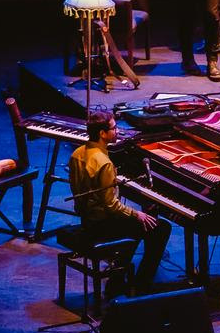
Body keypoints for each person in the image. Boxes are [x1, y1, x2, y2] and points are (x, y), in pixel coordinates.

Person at [68, 108, 172, 294]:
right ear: (102, 133)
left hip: (86, 219)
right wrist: (136, 214)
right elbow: (111, 205)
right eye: (114, 128)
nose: (117, 131)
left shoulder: (78, 153)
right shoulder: (104, 162)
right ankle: (142, 285)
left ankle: (117, 279)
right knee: (160, 228)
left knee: (139, 226)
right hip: (102, 224)